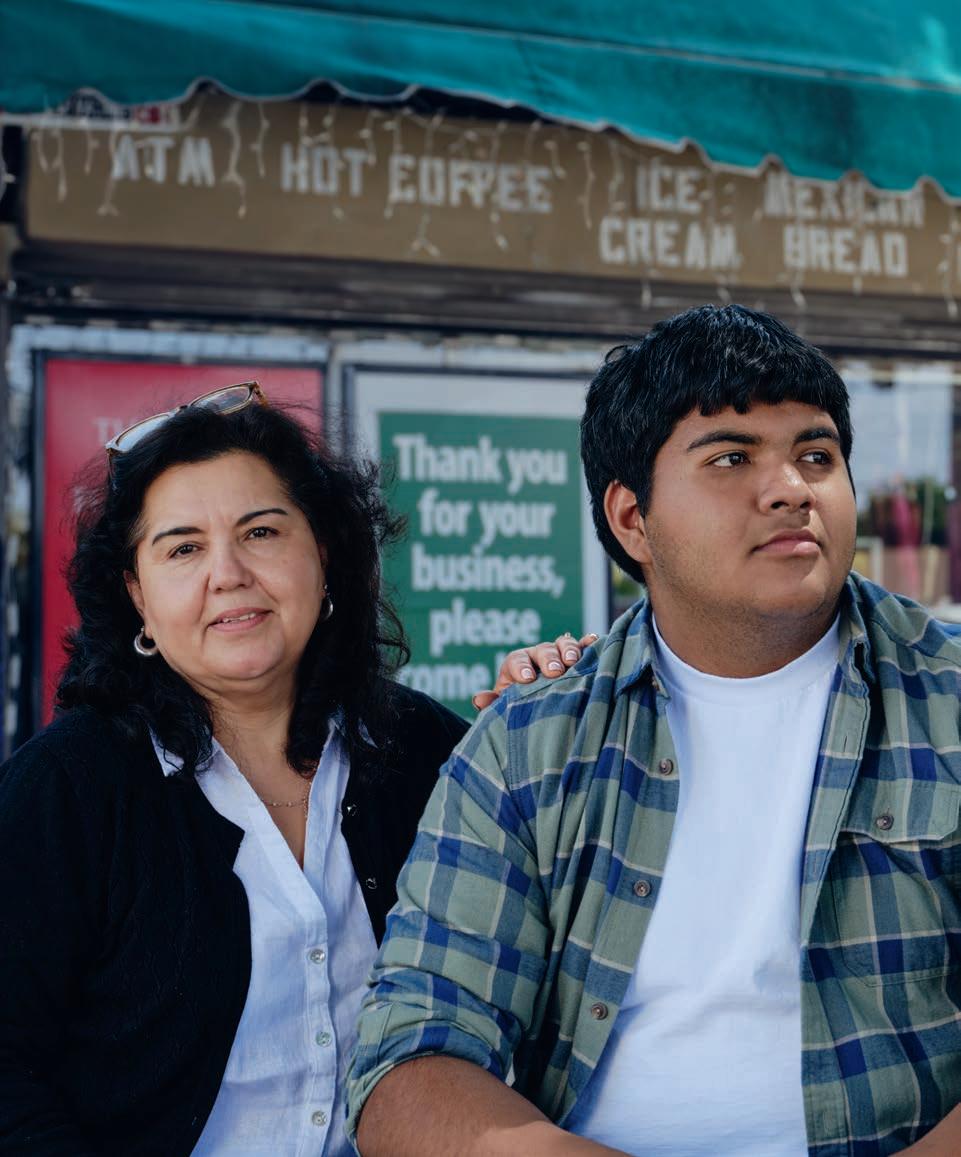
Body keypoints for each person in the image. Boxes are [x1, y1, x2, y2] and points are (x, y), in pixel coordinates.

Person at [347, 305, 961, 1157]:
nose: (790, 487)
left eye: (816, 455)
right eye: (731, 458)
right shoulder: (530, 743)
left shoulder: (943, 699)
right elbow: (409, 1059)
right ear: (631, 518)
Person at [0, 383, 587, 1156]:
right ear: (137, 595)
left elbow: (558, 959)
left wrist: (548, 723)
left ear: (324, 553)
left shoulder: (422, 751)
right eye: (183, 548)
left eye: (261, 531)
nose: (228, 572)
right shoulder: (66, 789)